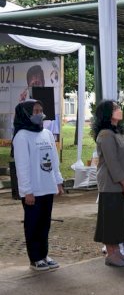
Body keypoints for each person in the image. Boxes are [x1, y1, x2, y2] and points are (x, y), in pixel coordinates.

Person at [12, 99, 64, 271]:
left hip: (47, 187)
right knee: (33, 225)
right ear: (26, 114)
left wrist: (58, 181)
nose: (39, 114)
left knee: (44, 224)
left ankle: (44, 254)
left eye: (41, 110)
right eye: (35, 111)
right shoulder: (21, 136)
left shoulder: (47, 134)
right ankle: (35, 258)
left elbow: (54, 161)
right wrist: (27, 191)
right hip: (33, 190)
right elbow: (22, 167)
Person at [92, 100, 124, 267]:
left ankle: (117, 251)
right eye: (116, 108)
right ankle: (111, 254)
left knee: (118, 219)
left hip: (120, 183)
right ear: (107, 113)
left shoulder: (118, 133)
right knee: (110, 220)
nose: (119, 110)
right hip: (111, 184)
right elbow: (113, 163)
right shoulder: (105, 135)